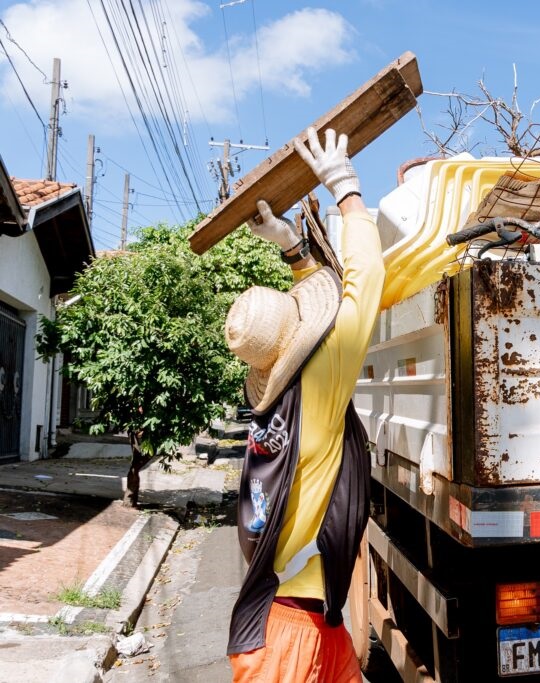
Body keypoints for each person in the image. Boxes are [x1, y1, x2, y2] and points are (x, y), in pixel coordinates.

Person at [223, 126, 384, 682]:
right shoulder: (318, 386)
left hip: (298, 615)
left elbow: (322, 330)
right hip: (289, 639)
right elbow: (366, 284)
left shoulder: (283, 403)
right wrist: (345, 187)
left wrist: (296, 249)